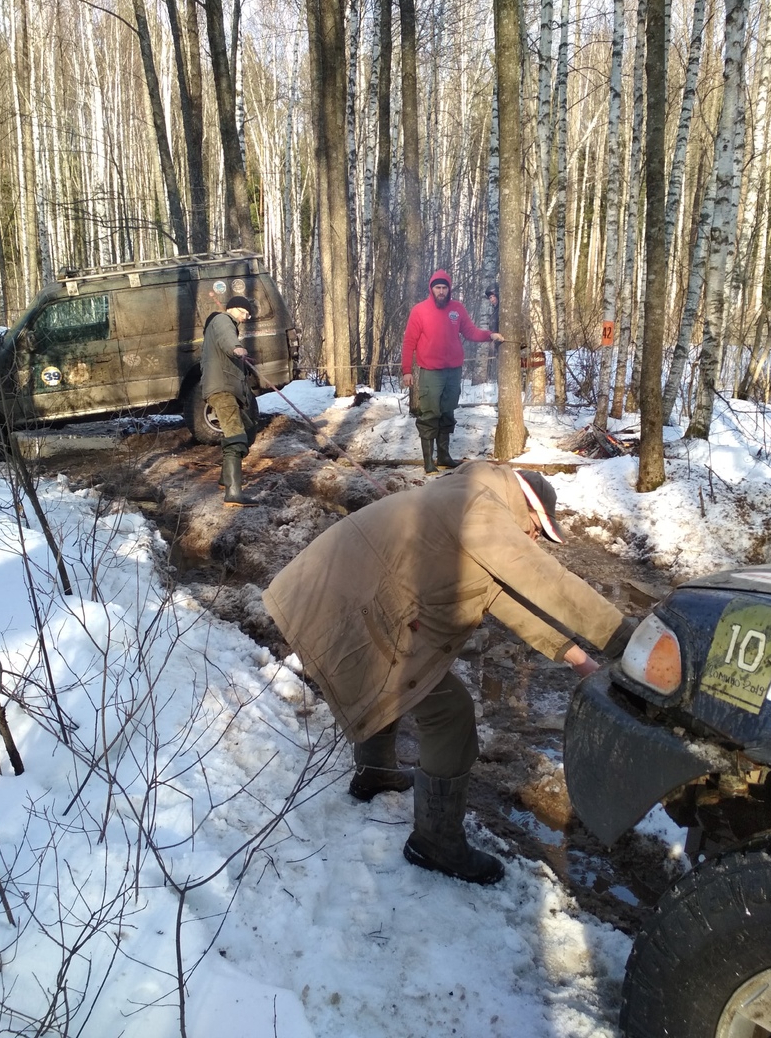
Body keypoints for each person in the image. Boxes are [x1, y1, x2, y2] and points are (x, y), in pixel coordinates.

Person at [262, 461, 635, 887]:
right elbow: (549, 582)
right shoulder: (481, 507)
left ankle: (374, 772)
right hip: (344, 606)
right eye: (536, 531)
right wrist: (629, 642)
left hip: (339, 595)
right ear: (527, 506)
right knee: (449, 711)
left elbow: (501, 596)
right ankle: (435, 843)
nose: (534, 541)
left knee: (396, 678)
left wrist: (579, 659)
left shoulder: (469, 496)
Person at [402, 271, 505, 474]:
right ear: (431, 289)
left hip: (453, 371)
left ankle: (443, 456)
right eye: (437, 288)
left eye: (444, 288)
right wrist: (407, 371)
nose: (441, 291)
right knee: (430, 414)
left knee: (447, 413)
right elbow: (409, 342)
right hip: (431, 372)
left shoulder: (457, 309)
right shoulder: (419, 310)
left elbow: (470, 332)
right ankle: (428, 461)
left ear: (449, 289)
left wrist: (490, 335)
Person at [201, 295, 258, 505]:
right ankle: (233, 493)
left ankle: (226, 478)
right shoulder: (222, 320)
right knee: (235, 436)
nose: (245, 318)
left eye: (247, 315)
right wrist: (237, 348)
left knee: (248, 430)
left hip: (228, 389)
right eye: (244, 313)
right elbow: (227, 339)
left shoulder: (226, 323)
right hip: (222, 389)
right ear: (234, 309)